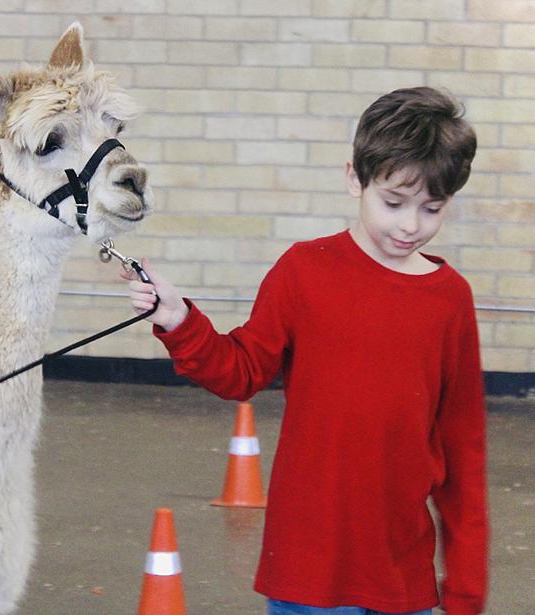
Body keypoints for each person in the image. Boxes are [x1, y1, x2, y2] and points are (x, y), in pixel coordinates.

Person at [123, 87, 487, 615]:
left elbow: (463, 452)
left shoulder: (451, 300)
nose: (411, 225)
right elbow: (241, 371)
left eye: (432, 208)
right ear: (353, 178)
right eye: (393, 203)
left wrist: (466, 595)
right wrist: (180, 320)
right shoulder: (304, 270)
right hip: (307, 572)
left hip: (401, 575)